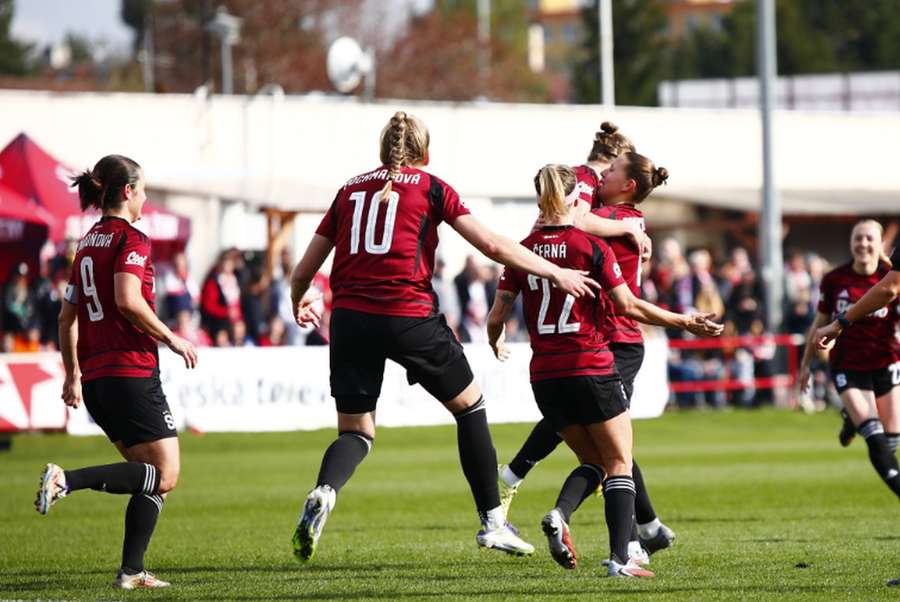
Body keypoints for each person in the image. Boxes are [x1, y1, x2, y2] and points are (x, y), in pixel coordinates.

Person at [287, 111, 600, 564]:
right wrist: (555, 270)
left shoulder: (349, 189)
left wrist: (301, 299)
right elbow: (492, 246)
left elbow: (303, 271)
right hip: (407, 315)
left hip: (351, 319)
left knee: (355, 432)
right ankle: (493, 522)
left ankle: (324, 490)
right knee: (470, 405)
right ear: (424, 152)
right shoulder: (431, 186)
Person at [487, 163, 722, 577]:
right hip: (591, 366)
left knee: (593, 461)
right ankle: (622, 557)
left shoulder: (521, 250)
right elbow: (628, 305)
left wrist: (495, 339)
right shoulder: (591, 247)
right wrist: (684, 321)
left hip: (545, 376)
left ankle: (561, 514)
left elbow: (498, 313)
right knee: (619, 462)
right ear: (575, 198)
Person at [498, 131, 670, 561]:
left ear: (626, 182)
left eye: (610, 171)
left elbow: (568, 226)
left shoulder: (616, 211)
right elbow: (575, 225)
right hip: (606, 341)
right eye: (607, 167)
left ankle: (635, 527)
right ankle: (629, 542)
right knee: (614, 452)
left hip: (603, 344)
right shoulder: (596, 197)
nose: (599, 175)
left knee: (606, 450)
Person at [34, 155, 198, 590]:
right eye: (142, 190)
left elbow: (65, 318)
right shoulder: (132, 239)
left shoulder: (86, 243)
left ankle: (131, 571)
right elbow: (128, 299)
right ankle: (66, 480)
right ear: (127, 192)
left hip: (97, 379)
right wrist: (172, 338)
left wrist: (72, 376)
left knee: (149, 479)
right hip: (130, 371)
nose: (145, 199)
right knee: (165, 475)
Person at [800, 220, 900, 500]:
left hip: (886, 361)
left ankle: (849, 418)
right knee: (873, 433)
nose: (863, 244)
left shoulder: (891, 276)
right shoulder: (835, 279)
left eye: (870, 238)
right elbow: (818, 324)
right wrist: (805, 365)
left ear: (881, 243)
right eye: (858, 238)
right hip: (848, 365)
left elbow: (891, 293)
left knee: (891, 442)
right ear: (850, 243)